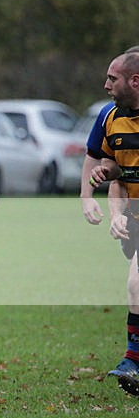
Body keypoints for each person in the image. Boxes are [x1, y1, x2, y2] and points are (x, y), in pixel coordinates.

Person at [89, 51, 139, 396]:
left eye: (113, 78)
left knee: (136, 283)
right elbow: (118, 175)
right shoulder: (112, 118)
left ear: (134, 81)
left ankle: (132, 359)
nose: (106, 85)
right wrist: (117, 212)